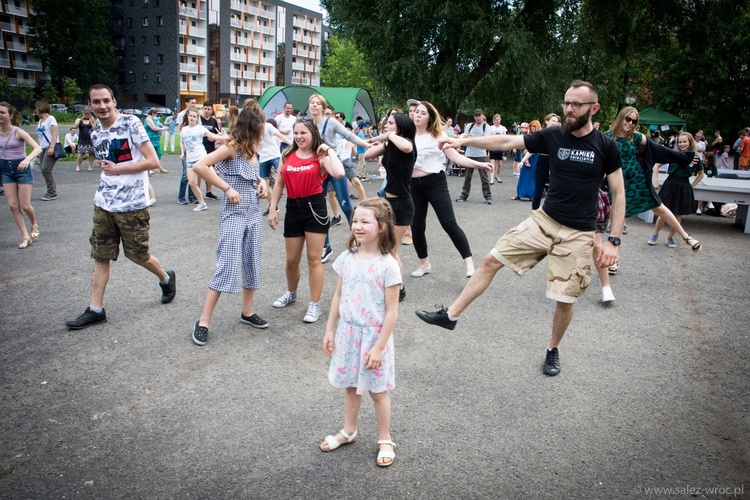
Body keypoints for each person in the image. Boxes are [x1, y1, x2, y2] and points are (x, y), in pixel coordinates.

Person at [415, 80, 626, 377]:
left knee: (564, 299)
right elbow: (506, 142)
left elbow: (619, 193)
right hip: (544, 220)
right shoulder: (554, 135)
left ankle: (553, 349)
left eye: (576, 104)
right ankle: (450, 315)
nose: (569, 109)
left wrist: (613, 240)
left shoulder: (606, 146)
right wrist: (463, 142)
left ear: (594, 108)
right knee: (490, 260)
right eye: (566, 103)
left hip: (579, 232)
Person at [65, 84, 176, 330]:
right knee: (100, 255)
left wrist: (118, 169)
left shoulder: (131, 124)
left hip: (132, 205)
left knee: (138, 255)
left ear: (114, 101)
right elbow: (105, 164)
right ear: (90, 105)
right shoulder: (95, 132)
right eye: (96, 102)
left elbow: (153, 161)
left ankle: (166, 278)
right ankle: (96, 309)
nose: (102, 106)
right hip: (103, 203)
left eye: (106, 100)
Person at [320, 198, 400, 468]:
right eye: (355, 220)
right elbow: (338, 295)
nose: (358, 226)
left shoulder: (388, 265)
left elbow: (391, 312)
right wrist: (330, 329)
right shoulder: (347, 258)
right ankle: (349, 430)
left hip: (374, 338)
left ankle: (385, 439)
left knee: (377, 391)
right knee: (351, 387)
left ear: (382, 227)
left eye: (365, 221)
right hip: (348, 334)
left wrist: (378, 347)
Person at [190, 100, 270, 346]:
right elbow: (200, 166)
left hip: (253, 212)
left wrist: (262, 181)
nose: (264, 133)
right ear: (251, 127)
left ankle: (247, 312)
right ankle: (203, 321)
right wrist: (226, 188)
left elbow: (251, 171)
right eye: (261, 128)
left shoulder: (253, 148)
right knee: (226, 264)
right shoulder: (231, 147)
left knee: (251, 261)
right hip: (234, 212)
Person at [267, 118, 345, 323]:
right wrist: (273, 208)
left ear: (313, 134)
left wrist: (328, 150)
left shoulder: (320, 156)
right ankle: (291, 293)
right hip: (293, 207)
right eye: (296, 133)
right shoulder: (287, 154)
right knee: (291, 260)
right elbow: (279, 183)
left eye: (304, 133)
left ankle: (314, 304)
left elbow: (338, 172)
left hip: (315, 207)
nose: (299, 137)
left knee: (314, 259)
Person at [410, 101, 493, 278]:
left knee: (449, 223)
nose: (417, 115)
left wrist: (480, 164)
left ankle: (469, 264)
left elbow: (456, 157)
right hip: (413, 186)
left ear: (430, 117)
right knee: (416, 227)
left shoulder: (439, 136)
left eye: (422, 113)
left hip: (435, 183)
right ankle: (424, 264)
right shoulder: (407, 135)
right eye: (416, 112)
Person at [307, 94, 371, 262]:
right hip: (318, 169)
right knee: (319, 209)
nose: (313, 106)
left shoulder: (331, 122)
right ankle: (326, 246)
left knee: (346, 205)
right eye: (311, 103)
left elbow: (349, 135)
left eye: (316, 103)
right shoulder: (308, 125)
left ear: (322, 107)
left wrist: (366, 144)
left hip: (334, 166)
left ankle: (361, 240)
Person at [365, 112, 417, 301]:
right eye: (386, 122)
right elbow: (368, 154)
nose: (386, 125)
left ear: (401, 126)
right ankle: (394, 284)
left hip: (402, 204)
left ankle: (399, 288)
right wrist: (382, 141)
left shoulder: (408, 145)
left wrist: (388, 136)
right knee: (386, 247)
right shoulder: (390, 145)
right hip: (387, 203)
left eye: (391, 123)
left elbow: (406, 145)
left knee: (390, 249)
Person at [0, 101, 43, 249]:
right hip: (5, 169)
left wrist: (27, 159)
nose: (0, 115)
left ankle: (33, 223)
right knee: (12, 205)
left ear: (11, 115)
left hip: (21, 168)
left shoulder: (18, 132)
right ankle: (25, 236)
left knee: (25, 205)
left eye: (2, 112)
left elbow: (38, 148)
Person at [651, 131, 704, 248]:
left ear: (690, 142)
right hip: (671, 183)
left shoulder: (695, 157)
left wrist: (692, 185)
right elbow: (656, 165)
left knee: (678, 215)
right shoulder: (674, 154)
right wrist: (655, 179)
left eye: (685, 141)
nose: (682, 144)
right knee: (663, 212)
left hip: (684, 185)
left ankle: (670, 237)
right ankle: (655, 234)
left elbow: (701, 174)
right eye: (680, 142)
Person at [179, 108, 225, 212]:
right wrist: (182, 153)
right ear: (187, 116)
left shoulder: (200, 128)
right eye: (190, 116)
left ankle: (228, 191)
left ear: (197, 119)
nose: (192, 118)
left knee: (212, 177)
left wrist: (225, 138)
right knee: (192, 183)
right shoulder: (184, 129)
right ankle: (202, 203)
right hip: (189, 159)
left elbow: (212, 136)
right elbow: (182, 142)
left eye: (194, 116)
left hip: (200, 157)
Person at [456, 109, 493, 204]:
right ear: (474, 117)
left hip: (481, 154)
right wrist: (470, 139)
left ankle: (488, 196)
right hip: (470, 154)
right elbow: (465, 137)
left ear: (483, 116)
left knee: (484, 177)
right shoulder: (469, 126)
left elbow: (485, 140)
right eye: (476, 116)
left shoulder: (486, 127)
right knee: (467, 176)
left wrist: (471, 139)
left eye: (479, 115)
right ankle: (464, 194)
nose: (478, 117)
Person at [258, 118, 291, 215]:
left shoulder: (267, 126)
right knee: (265, 183)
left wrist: (292, 145)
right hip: (263, 158)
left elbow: (280, 135)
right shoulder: (251, 129)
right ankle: (273, 206)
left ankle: (294, 198)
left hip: (274, 155)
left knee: (285, 175)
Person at [531, 113, 561, 210]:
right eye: (553, 121)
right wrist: (523, 160)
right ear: (547, 121)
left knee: (554, 188)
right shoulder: (542, 133)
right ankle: (534, 211)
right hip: (543, 159)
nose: (555, 123)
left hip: (555, 161)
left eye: (556, 121)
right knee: (538, 188)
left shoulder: (560, 134)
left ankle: (552, 212)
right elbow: (532, 147)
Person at [35, 101, 60, 201]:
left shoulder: (51, 119)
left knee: (46, 169)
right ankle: (50, 190)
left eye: (36, 108)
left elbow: (55, 134)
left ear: (41, 108)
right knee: (42, 169)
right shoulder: (41, 121)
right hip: (42, 147)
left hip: (50, 147)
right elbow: (39, 136)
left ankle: (52, 192)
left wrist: (52, 147)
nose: (35, 110)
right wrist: (37, 147)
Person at [176, 96, 198, 205]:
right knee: (185, 174)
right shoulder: (181, 116)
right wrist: (181, 152)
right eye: (192, 102)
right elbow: (182, 138)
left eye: (195, 102)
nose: (194, 104)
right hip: (186, 150)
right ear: (187, 103)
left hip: (195, 151)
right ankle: (180, 197)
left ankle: (192, 196)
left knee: (193, 174)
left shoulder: (197, 118)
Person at [513, 120, 542, 200]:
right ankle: (519, 194)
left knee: (533, 176)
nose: (532, 128)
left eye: (534, 126)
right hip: (527, 156)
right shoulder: (529, 135)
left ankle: (532, 195)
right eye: (531, 126)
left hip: (534, 157)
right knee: (523, 174)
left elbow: (534, 149)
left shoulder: (539, 136)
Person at [199, 101, 222, 200]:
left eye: (208, 109)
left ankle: (208, 191)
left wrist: (214, 138)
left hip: (210, 148)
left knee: (209, 169)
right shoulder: (199, 120)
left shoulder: (213, 121)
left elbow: (218, 133)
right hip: (200, 147)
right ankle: (196, 192)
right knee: (199, 170)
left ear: (211, 110)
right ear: (202, 109)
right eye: (205, 108)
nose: (206, 111)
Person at [488, 114, 507, 183]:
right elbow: (489, 137)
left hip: (500, 148)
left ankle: (497, 176)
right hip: (493, 147)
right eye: (496, 120)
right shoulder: (491, 128)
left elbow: (505, 137)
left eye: (499, 120)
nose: (498, 121)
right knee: (492, 164)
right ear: (494, 120)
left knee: (500, 164)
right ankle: (491, 179)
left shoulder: (503, 128)